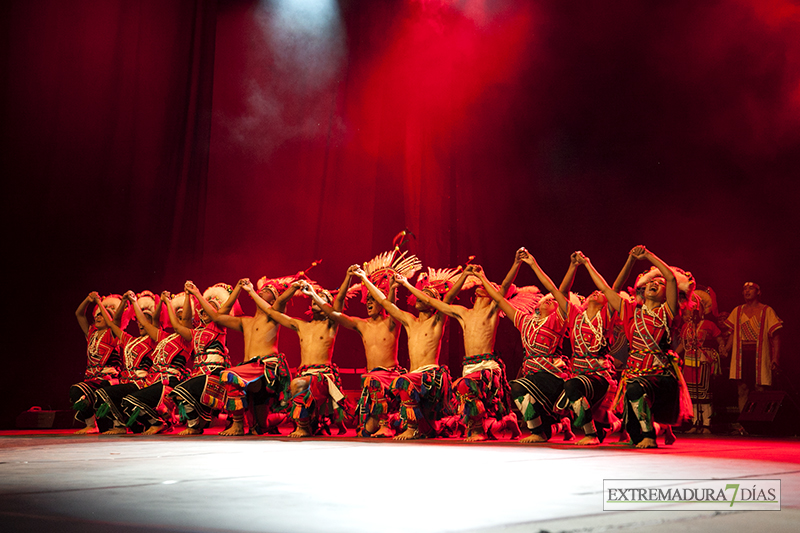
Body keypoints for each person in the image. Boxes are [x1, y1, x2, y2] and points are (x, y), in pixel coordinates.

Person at [396, 254, 524, 441]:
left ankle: (480, 430)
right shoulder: (463, 313)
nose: (482, 288)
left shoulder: (492, 311)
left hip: (487, 367)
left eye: (487, 287)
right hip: (468, 367)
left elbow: (504, 286)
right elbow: (434, 302)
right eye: (480, 286)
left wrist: (505, 267)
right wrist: (406, 285)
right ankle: (506, 422)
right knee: (468, 414)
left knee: (465, 388)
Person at [580, 246, 692, 448]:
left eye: (659, 283)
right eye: (650, 282)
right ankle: (659, 428)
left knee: (635, 390)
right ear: (642, 289)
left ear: (667, 293)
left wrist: (648, 256)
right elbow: (608, 289)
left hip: (659, 374)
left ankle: (650, 435)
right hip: (635, 372)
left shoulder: (668, 310)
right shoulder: (630, 311)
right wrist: (591, 263)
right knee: (632, 432)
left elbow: (672, 278)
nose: (654, 284)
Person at [314, 253, 422, 437]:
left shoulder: (392, 323)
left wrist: (388, 287)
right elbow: (334, 312)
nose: (369, 303)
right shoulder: (362, 325)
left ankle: (387, 424)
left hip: (390, 376)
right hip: (372, 380)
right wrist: (347, 278)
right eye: (367, 300)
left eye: (373, 300)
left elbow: (389, 303)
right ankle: (390, 420)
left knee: (372, 380)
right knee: (365, 432)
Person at [472, 249, 571, 443]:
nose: (550, 300)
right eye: (546, 299)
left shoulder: (557, 321)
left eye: (553, 300)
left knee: (518, 387)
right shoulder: (524, 321)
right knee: (522, 393)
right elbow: (500, 298)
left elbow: (560, 291)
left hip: (552, 375)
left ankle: (538, 431)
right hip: (533, 376)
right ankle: (549, 428)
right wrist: (481, 277)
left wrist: (533, 264)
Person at [356, 266, 461, 440]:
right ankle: (420, 425)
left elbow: (448, 298)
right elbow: (385, 303)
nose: (419, 297)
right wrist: (365, 279)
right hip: (414, 376)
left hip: (429, 376)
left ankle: (413, 428)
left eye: (426, 295)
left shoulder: (437, 320)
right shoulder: (410, 321)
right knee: (376, 427)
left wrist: (407, 284)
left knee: (403, 381)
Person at [246, 278, 351, 438]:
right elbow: (272, 312)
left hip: (321, 377)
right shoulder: (301, 325)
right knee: (294, 390)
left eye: (323, 297)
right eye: (316, 296)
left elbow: (340, 301)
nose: (317, 297)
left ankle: (304, 428)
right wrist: (251, 292)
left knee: (297, 383)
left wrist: (347, 276)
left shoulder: (330, 325)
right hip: (305, 376)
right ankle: (306, 423)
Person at [194, 277, 296, 436]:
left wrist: (295, 286)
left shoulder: (274, 314)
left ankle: (238, 425)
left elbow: (283, 298)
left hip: (265, 369)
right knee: (260, 426)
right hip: (249, 371)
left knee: (229, 375)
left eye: (268, 291)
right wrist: (197, 293)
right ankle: (278, 418)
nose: (263, 291)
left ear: (275, 300)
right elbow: (217, 317)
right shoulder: (246, 322)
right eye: (262, 289)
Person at [557, 253, 619, 445]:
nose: (596, 292)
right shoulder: (576, 316)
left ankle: (590, 434)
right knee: (602, 423)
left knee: (571, 385)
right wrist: (572, 266)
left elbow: (608, 288)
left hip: (600, 376)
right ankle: (615, 425)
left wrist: (587, 264)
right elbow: (561, 291)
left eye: (600, 294)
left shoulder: (607, 316)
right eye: (592, 292)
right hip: (580, 373)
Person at [121, 292, 192, 434]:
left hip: (169, 382)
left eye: (181, 317)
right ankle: (161, 422)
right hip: (155, 381)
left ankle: (159, 422)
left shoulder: (187, 337)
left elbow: (183, 322)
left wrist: (173, 302)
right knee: (127, 402)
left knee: (132, 401)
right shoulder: (164, 337)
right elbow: (147, 323)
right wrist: (135, 302)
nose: (178, 319)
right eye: (176, 316)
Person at [168, 282, 233, 435]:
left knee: (181, 390)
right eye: (202, 310)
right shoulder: (195, 333)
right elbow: (178, 327)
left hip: (215, 372)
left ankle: (193, 426)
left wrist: (197, 293)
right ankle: (200, 422)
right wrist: (179, 299)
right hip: (199, 373)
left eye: (209, 308)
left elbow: (224, 309)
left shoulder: (219, 326)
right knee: (178, 393)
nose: (204, 311)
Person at [94, 291, 157, 434]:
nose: (141, 324)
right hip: (127, 383)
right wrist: (122, 302)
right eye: (139, 321)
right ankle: (125, 424)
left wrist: (135, 302)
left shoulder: (155, 339)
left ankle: (120, 426)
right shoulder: (130, 340)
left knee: (105, 392)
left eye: (145, 320)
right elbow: (112, 323)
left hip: (141, 383)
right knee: (103, 392)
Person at [723, 282, 783, 414]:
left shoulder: (767, 310)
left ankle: (758, 422)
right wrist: (726, 348)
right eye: (744, 288)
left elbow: (776, 336)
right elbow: (733, 333)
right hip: (741, 354)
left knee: (760, 388)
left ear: (758, 292)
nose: (747, 291)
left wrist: (775, 358)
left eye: (751, 288)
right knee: (742, 389)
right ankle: (744, 425)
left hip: (760, 354)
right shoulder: (737, 310)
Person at [71, 292, 124, 434]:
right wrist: (88, 300)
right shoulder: (91, 334)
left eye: (102, 314)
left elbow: (116, 319)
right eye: (97, 314)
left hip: (108, 380)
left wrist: (100, 303)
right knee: (77, 391)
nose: (98, 316)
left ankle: (118, 424)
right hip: (92, 379)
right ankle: (91, 424)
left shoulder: (113, 333)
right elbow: (79, 314)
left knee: (104, 418)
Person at [677, 303, 723, 433]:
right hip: (689, 361)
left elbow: (719, 339)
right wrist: (673, 354)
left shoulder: (709, 324)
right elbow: (682, 344)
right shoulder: (686, 326)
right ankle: (695, 422)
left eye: (695, 309)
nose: (692, 312)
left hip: (703, 360)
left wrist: (722, 348)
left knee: (704, 392)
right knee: (692, 393)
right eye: (689, 310)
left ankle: (707, 424)